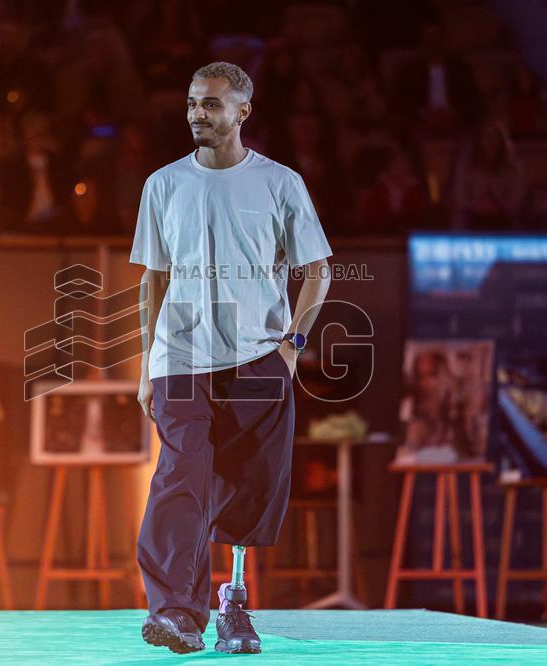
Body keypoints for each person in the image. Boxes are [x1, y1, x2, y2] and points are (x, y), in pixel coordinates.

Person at [130, 62, 332, 655]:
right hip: (180, 360)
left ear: (243, 111)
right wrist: (146, 364)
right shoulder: (163, 184)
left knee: (248, 490)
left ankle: (233, 603)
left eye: (212, 104)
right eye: (193, 102)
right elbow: (152, 281)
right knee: (179, 479)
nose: (198, 113)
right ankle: (174, 612)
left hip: (256, 360)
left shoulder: (280, 183)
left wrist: (292, 347)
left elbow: (317, 271)